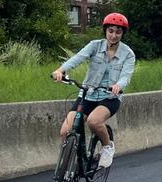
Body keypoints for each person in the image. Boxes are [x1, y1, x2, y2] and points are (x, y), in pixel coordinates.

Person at [52, 12, 136, 169]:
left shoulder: (128, 54)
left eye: (118, 32)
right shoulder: (94, 45)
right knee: (65, 131)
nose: (114, 35)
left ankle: (107, 146)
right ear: (105, 31)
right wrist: (61, 70)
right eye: (110, 31)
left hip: (110, 97)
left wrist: (119, 84)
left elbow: (126, 75)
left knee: (93, 121)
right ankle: (66, 168)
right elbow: (77, 58)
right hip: (87, 94)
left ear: (123, 33)